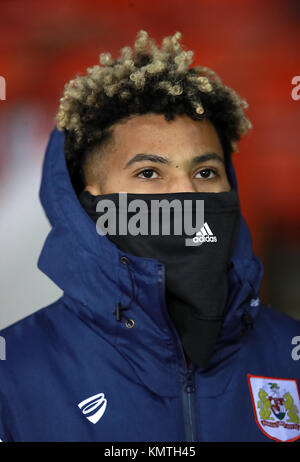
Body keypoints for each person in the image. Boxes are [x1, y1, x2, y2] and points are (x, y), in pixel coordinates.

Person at [0, 30, 300, 443]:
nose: (187, 195)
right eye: (149, 173)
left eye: (205, 173)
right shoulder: (12, 371)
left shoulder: (291, 352)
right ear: (90, 198)